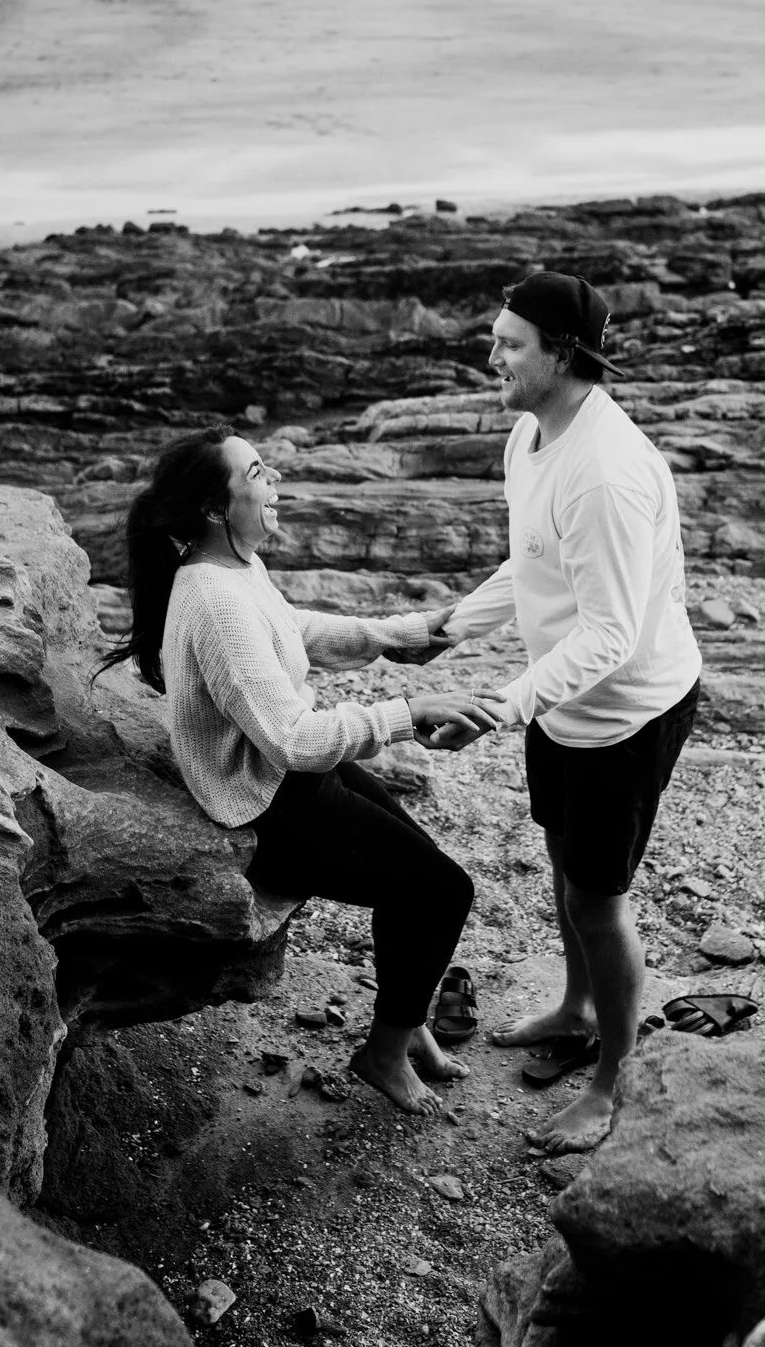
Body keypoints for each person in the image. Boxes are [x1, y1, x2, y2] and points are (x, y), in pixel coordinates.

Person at [98, 425, 496, 1115]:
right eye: (257, 471)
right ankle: (381, 1054)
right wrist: (407, 711)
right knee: (438, 891)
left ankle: (406, 1028)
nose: (274, 478)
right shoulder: (213, 600)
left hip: (293, 775)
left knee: (425, 868)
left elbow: (292, 627)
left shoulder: (232, 566)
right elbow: (292, 740)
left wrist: (397, 636)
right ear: (217, 507)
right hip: (264, 794)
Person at [440, 272, 702, 1154]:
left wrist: (501, 705)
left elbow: (615, 635)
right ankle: (575, 1007)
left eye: (511, 343)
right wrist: (447, 628)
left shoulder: (606, 475)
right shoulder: (530, 434)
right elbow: (531, 567)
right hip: (559, 702)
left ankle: (612, 1081)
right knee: (563, 867)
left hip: (624, 713)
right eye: (497, 336)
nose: (493, 353)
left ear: (563, 354)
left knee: (599, 900)